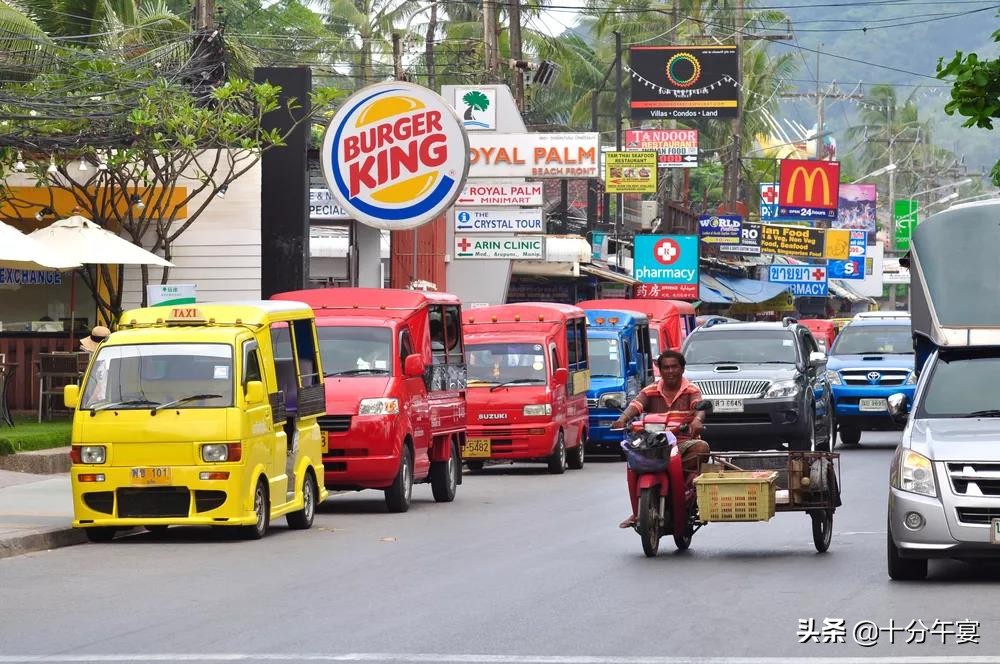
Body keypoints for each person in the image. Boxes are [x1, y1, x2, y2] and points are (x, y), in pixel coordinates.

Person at [612, 349, 710, 529]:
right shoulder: (650, 391)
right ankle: (637, 511)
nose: (670, 371)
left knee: (701, 447)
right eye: (666, 367)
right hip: (652, 444)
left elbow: (700, 408)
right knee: (632, 457)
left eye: (674, 367)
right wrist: (622, 419)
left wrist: (696, 421)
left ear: (682, 369)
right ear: (660, 370)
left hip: (681, 442)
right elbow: (635, 405)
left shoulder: (691, 390)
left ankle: (683, 486)